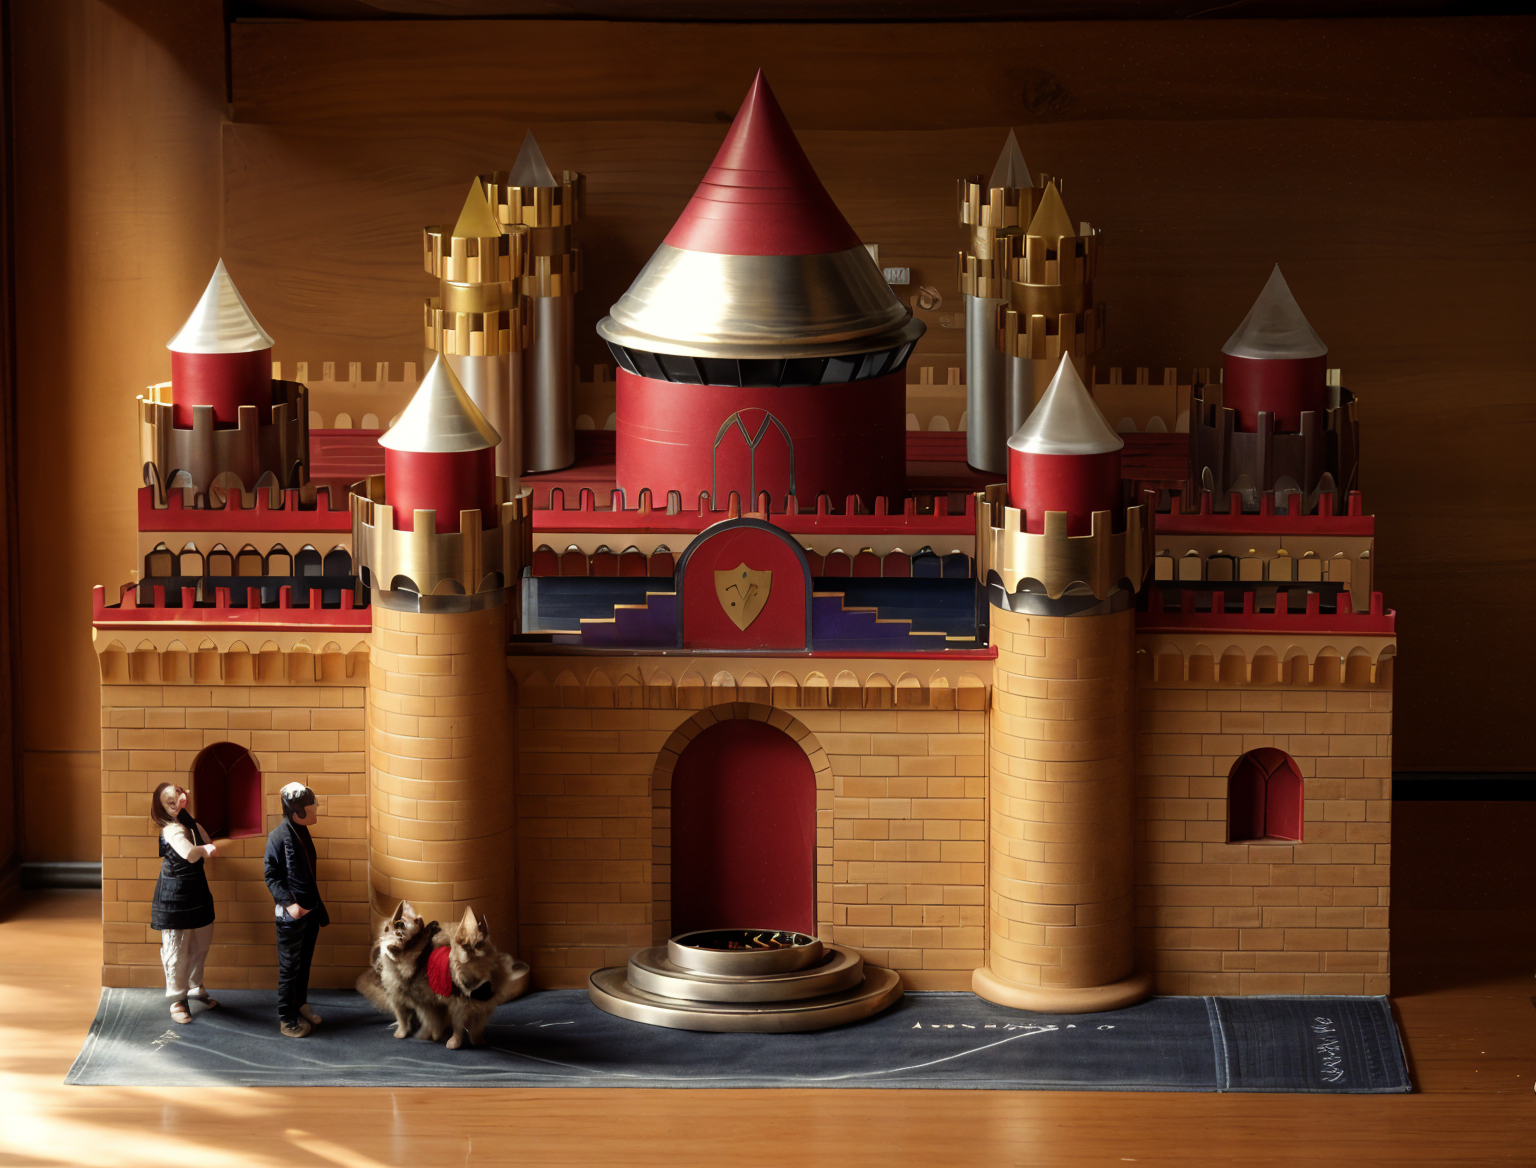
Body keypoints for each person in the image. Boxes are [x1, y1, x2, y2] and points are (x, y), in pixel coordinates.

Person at [263, 782, 329, 1037]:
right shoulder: (278, 836)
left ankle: (299, 1004)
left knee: (304, 964)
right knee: (290, 968)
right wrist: (290, 905)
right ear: (298, 812)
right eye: (313, 807)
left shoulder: (301, 831)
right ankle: (287, 1018)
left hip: (309, 910)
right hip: (291, 915)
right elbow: (271, 875)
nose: (316, 809)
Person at [148, 782, 218, 1024]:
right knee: (176, 948)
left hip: (197, 889)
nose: (176, 802)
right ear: (162, 808)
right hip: (175, 894)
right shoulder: (170, 830)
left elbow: (206, 838)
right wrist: (205, 849)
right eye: (170, 802)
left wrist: (194, 825)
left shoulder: (188, 824)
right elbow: (189, 853)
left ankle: (195, 986)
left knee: (201, 941)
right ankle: (178, 998)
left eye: (177, 795)